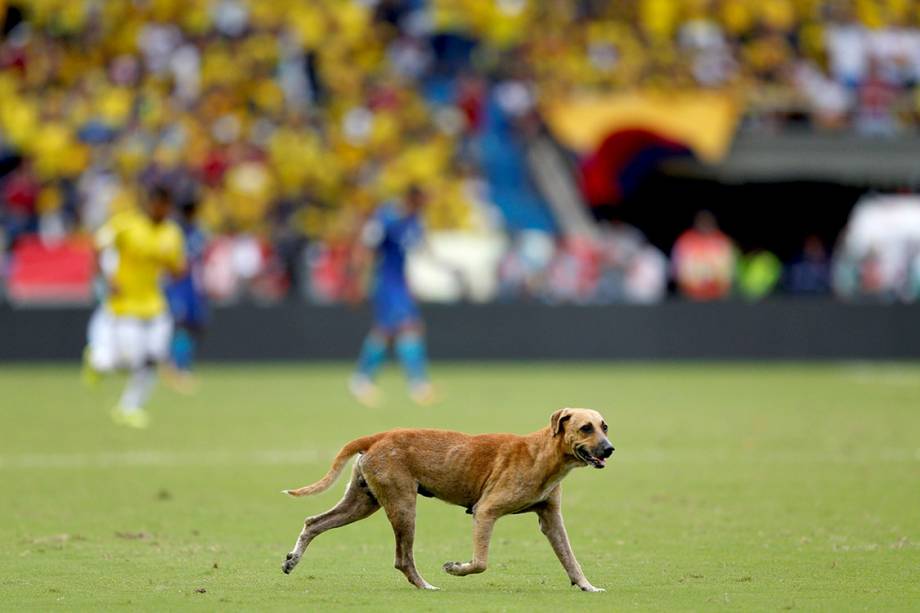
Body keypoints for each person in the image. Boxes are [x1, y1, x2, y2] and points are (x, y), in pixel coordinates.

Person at [82, 186, 185, 428]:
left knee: (152, 358)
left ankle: (129, 407)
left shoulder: (172, 233)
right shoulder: (126, 225)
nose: (162, 210)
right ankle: (97, 360)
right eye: (159, 204)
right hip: (126, 304)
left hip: (155, 305)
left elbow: (179, 269)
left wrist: (172, 265)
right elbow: (97, 245)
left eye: (166, 206)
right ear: (150, 203)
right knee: (127, 361)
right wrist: (105, 279)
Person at [349, 185, 437, 408]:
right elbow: (367, 248)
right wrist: (359, 280)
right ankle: (418, 384)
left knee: (386, 332)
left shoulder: (414, 220)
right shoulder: (387, 217)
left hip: (398, 283)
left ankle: (361, 379)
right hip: (386, 283)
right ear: (412, 198)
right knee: (409, 327)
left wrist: (409, 285)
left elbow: (411, 254)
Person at [163, 194, 208, 391]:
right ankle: (177, 368)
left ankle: (180, 365)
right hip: (178, 287)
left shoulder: (197, 232)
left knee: (191, 327)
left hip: (193, 288)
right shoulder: (173, 232)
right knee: (180, 326)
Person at [671, 210, 735, 301]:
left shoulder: (722, 241)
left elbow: (729, 269)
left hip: (717, 296)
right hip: (690, 296)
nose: (705, 224)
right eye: (702, 221)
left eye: (708, 221)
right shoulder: (686, 241)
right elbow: (677, 269)